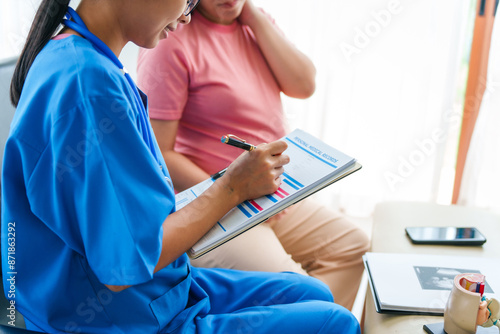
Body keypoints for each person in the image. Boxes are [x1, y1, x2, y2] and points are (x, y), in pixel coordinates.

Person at [2, 0, 362, 333]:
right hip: (117, 315)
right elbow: (125, 263)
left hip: (159, 288)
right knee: (335, 323)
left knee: (311, 291)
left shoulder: (81, 56)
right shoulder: (90, 86)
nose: (188, 15)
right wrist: (231, 188)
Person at [137, 0, 370, 310]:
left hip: (269, 195)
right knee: (302, 292)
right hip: (218, 206)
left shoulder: (254, 24)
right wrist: (235, 189)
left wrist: (254, 17)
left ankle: (318, 324)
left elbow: (304, 84)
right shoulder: (171, 38)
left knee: (353, 246)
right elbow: (160, 153)